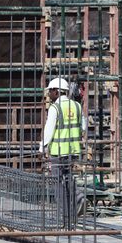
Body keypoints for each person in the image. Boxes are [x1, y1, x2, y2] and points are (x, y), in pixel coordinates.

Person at [41, 77, 86, 227]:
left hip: (58, 152)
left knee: (58, 184)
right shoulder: (77, 106)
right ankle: (78, 199)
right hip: (72, 151)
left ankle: (66, 217)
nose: (49, 94)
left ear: (56, 91)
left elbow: (49, 130)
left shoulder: (55, 108)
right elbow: (83, 128)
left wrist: (42, 148)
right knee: (67, 179)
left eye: (50, 91)